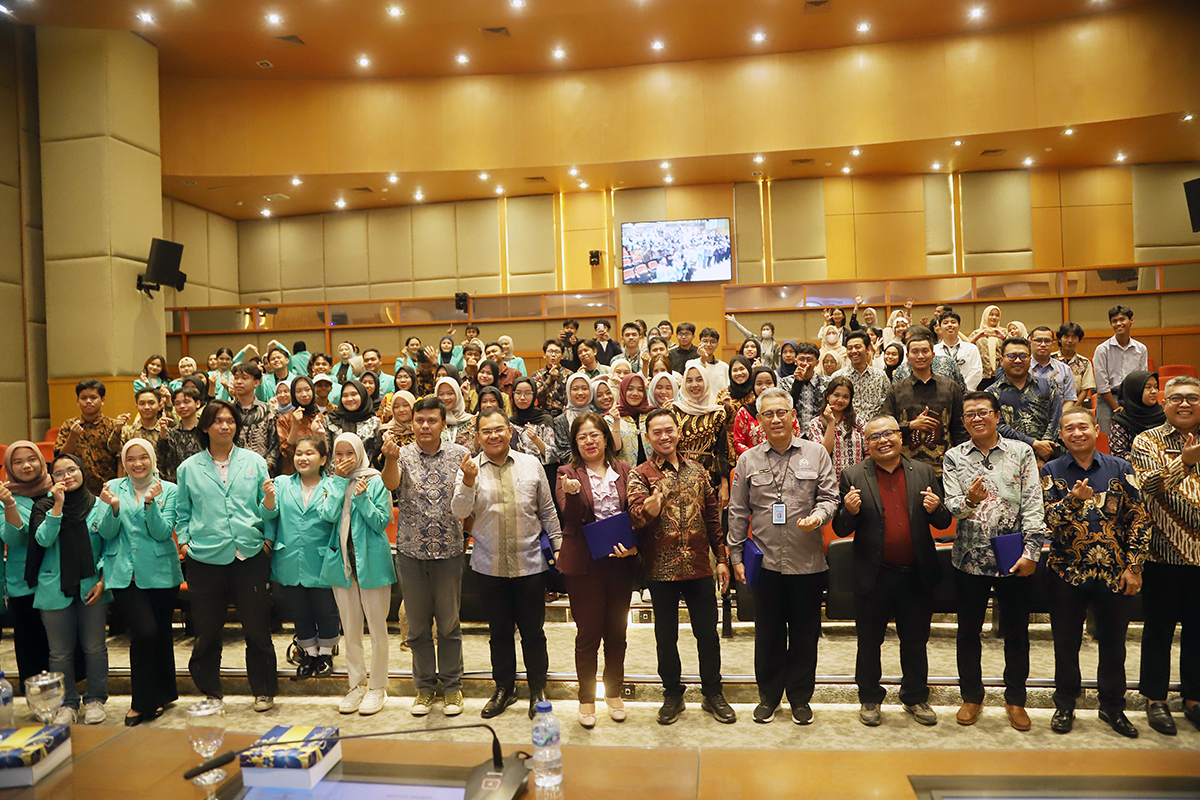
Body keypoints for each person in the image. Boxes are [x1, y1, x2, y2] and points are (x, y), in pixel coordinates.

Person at [727, 388, 838, 726]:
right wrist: (735, 557)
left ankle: (801, 699)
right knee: (769, 634)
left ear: (793, 417)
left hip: (807, 563)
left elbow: (830, 498)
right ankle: (769, 697)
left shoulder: (816, 453)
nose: (775, 419)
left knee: (805, 635)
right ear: (759, 421)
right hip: (766, 564)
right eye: (768, 414)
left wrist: (818, 517)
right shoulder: (748, 460)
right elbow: (737, 511)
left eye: (781, 412)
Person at [834, 414, 952, 727]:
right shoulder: (853, 474)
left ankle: (915, 696)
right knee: (869, 642)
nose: (883, 440)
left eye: (889, 434)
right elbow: (841, 527)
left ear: (900, 437)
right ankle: (870, 698)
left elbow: (941, 522)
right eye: (875, 436)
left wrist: (935, 508)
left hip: (915, 572)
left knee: (915, 640)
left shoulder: (923, 470)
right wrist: (850, 510)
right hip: (874, 573)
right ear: (867, 443)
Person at [1041, 407, 1151, 738]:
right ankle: (1065, 704)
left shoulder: (1120, 468)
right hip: (1066, 573)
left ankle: (1113, 707)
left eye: (1082, 427)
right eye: (1069, 428)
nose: (1077, 433)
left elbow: (1140, 520)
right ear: (1061, 435)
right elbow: (1047, 519)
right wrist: (1073, 501)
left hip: (1114, 573)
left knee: (1114, 645)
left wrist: (1134, 567)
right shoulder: (1052, 469)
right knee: (1065, 643)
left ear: (1096, 429)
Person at [942, 391, 1045, 731]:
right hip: (969, 559)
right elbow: (952, 507)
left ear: (997, 416)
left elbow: (1033, 503)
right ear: (963, 422)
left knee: (1016, 632)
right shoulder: (954, 457)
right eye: (969, 414)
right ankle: (972, 696)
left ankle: (1016, 699)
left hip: (1014, 558)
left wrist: (1032, 552)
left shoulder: (1021, 452)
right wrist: (969, 501)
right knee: (967, 632)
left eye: (983, 412)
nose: (976, 418)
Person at [452, 409, 563, 720]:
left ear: (510, 431)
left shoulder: (531, 464)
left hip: (530, 564)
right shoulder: (469, 469)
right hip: (489, 565)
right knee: (499, 632)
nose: (493, 436)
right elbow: (458, 510)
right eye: (486, 431)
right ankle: (504, 687)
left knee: (533, 631)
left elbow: (547, 511)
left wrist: (558, 546)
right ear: (477, 436)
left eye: (499, 429)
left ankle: (537, 687)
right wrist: (469, 482)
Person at [628, 409, 734, 725]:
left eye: (669, 430)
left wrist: (723, 560)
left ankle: (712, 692)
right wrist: (648, 510)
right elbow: (634, 518)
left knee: (707, 635)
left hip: (700, 567)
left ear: (678, 432)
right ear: (648, 437)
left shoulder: (699, 472)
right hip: (661, 570)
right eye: (657, 431)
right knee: (666, 636)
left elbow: (713, 519)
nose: (664, 436)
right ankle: (673, 694)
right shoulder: (640, 475)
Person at [175, 399, 277, 712]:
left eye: (230, 421)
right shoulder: (188, 468)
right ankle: (211, 691)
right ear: (205, 427)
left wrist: (268, 541)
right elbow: (182, 513)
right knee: (207, 631)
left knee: (257, 628)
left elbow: (268, 507)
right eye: (217, 421)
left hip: (249, 553)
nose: (224, 426)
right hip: (205, 557)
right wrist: (185, 546)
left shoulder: (254, 461)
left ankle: (263, 690)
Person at [555, 412, 639, 728]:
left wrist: (635, 546)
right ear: (576, 443)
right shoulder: (567, 473)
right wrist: (574, 493)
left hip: (620, 563)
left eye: (595, 435)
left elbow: (636, 515)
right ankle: (587, 698)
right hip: (584, 566)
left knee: (617, 634)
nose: (590, 441)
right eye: (582, 437)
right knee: (588, 634)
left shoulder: (625, 471)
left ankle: (614, 692)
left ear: (605, 438)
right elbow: (571, 519)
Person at [1129, 375, 1200, 736]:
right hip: (1163, 554)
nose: (1184, 404)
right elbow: (1147, 488)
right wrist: (1183, 463)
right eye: (1176, 398)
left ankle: (1194, 698)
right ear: (1164, 403)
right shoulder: (1147, 441)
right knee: (1158, 630)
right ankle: (1156, 699)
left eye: (1192, 397)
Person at [392, 397, 471, 717]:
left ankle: (452, 688)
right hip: (411, 552)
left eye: (432, 421)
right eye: (419, 420)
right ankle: (424, 688)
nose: (425, 426)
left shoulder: (458, 455)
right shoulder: (402, 454)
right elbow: (390, 484)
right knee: (418, 628)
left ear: (443, 423)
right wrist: (388, 460)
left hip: (449, 551)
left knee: (450, 624)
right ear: (412, 423)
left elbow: (467, 499)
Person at [99, 439, 183, 726]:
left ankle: (162, 694)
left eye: (143, 457)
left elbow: (162, 533)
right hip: (124, 572)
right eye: (131, 458)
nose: (137, 464)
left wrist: (149, 504)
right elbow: (107, 533)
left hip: (161, 571)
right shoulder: (112, 487)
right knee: (144, 632)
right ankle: (141, 702)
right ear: (124, 461)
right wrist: (111, 509)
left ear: (152, 459)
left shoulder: (168, 490)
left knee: (159, 633)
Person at [29, 455, 114, 725]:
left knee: (94, 647)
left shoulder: (99, 505)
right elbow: (43, 539)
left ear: (82, 471)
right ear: (51, 478)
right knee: (60, 652)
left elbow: (109, 544)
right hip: (55, 588)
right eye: (59, 472)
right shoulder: (44, 506)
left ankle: (96, 699)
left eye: (72, 469)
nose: (67, 475)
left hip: (92, 586)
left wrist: (103, 580)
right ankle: (67, 703)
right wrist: (58, 506)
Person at [321, 432, 395, 716]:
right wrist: (341, 484)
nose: (343, 460)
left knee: (377, 629)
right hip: (343, 565)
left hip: (372, 564)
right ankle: (356, 685)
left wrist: (362, 499)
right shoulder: (333, 481)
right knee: (350, 630)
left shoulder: (375, 480)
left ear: (360, 453)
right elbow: (327, 515)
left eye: (349, 453)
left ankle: (377, 687)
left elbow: (380, 522)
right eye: (338, 454)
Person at [262, 436, 340, 682]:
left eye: (309, 453)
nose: (303, 458)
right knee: (300, 611)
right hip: (289, 558)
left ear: (323, 459)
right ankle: (308, 653)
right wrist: (268, 498)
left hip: (321, 559)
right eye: (299, 454)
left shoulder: (333, 486)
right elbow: (268, 514)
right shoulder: (283, 483)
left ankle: (326, 654)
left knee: (325, 610)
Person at [1, 443, 54, 693]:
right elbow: (15, 539)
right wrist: (10, 504)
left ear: (42, 461)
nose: (26, 466)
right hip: (23, 582)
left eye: (32, 459)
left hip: (56, 578)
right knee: (30, 644)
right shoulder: (4, 497)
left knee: (59, 644)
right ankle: (38, 700)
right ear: (9, 467)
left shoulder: (57, 490)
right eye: (18, 462)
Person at [881, 331, 967, 476]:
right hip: (904, 468)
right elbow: (885, 426)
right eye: (915, 352)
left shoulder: (950, 387)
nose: (920, 356)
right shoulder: (896, 389)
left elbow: (960, 430)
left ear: (933, 355)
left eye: (925, 351)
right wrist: (910, 426)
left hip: (944, 467)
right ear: (907, 357)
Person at [988, 336, 1063, 464]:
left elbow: (1056, 418)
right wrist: (1033, 444)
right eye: (1011, 356)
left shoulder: (1048, 385)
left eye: (1023, 356)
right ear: (1001, 360)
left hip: (1049, 457)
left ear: (1030, 359)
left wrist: (1042, 454)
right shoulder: (991, 393)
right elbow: (998, 426)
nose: (1018, 360)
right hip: (1008, 459)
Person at [674, 364, 731, 509]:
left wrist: (724, 485)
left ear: (706, 382)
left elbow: (721, 452)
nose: (694, 385)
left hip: (709, 478)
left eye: (699, 380)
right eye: (689, 380)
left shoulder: (717, 413)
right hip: (678, 477)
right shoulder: (675, 410)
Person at [55, 378, 121, 494]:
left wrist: (119, 486)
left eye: (93, 397)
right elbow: (61, 457)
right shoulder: (69, 425)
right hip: (78, 489)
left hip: (108, 487)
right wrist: (73, 436)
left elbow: (121, 458)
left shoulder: (113, 426)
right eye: (83, 398)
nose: (88, 401)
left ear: (102, 400)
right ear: (77, 401)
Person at [1093, 305, 1149, 434]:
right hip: (1108, 400)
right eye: (1114, 321)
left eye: (1122, 319)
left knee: (1134, 436)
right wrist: (1117, 408)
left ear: (1131, 321)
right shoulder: (1102, 349)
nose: (1118, 324)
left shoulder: (1141, 349)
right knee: (1106, 437)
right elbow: (1102, 385)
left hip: (1132, 399)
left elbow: (1142, 380)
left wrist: (1132, 405)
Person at [810, 376, 868, 479]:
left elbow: (868, 452)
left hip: (856, 479)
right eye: (836, 395)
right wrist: (831, 422)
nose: (840, 400)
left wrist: (862, 476)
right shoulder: (816, 424)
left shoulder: (858, 421)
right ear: (828, 396)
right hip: (828, 481)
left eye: (845, 397)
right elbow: (823, 452)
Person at [230, 363, 280, 475]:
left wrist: (266, 467)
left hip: (262, 470)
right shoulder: (226, 410)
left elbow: (275, 444)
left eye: (244, 378)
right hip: (232, 470)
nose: (238, 382)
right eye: (236, 378)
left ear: (256, 382)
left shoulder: (269, 411)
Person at [326, 379, 382, 470]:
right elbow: (326, 453)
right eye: (345, 395)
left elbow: (377, 456)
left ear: (362, 395)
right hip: (335, 475)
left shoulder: (374, 422)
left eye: (354, 394)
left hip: (365, 476)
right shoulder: (331, 420)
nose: (349, 399)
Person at [734, 367, 791, 456]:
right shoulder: (744, 412)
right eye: (759, 383)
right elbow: (738, 443)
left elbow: (795, 436)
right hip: (754, 461)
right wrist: (759, 456)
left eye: (769, 383)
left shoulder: (785, 409)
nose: (764, 387)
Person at [277, 375, 327, 475]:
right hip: (292, 474)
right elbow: (286, 451)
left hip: (317, 474)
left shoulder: (321, 418)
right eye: (299, 391)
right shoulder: (284, 419)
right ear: (293, 394)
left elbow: (326, 451)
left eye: (307, 390)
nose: (304, 394)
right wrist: (295, 425)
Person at [1109, 371, 1164, 461]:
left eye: (1156, 387)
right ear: (1135, 390)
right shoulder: (1121, 420)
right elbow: (1118, 454)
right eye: (1148, 387)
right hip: (1133, 470)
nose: (1154, 391)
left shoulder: (1164, 415)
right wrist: (1148, 460)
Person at [157, 385, 205, 483]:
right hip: (179, 483)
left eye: (186, 402)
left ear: (197, 403)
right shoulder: (171, 433)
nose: (182, 406)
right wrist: (162, 434)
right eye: (178, 403)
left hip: (204, 481)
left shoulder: (206, 430)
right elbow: (163, 460)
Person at [510, 377, 555, 466]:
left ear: (534, 396)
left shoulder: (544, 419)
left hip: (542, 470)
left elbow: (553, 456)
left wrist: (536, 439)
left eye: (527, 393)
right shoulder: (509, 422)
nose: (522, 398)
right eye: (518, 393)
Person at [935, 311, 983, 391]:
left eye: (953, 322)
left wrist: (962, 389)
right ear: (940, 328)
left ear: (959, 327)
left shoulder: (971, 348)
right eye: (945, 323)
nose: (950, 325)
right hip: (940, 393)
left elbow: (976, 371)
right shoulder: (934, 350)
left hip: (966, 392)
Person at [1029, 326, 1078, 405]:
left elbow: (1069, 400)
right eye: (1038, 340)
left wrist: (1060, 417)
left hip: (1058, 415)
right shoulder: (1021, 368)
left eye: (1047, 341)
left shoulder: (1065, 370)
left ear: (1053, 344)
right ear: (1030, 342)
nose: (1043, 344)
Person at [1054, 322, 1096, 409]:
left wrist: (1072, 409)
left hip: (1074, 409)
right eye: (1066, 336)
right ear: (1059, 339)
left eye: (1074, 337)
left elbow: (1085, 390)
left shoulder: (1084, 363)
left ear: (1079, 339)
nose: (1070, 340)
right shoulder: (1050, 359)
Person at [787, 342, 826, 437]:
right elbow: (787, 406)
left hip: (820, 434)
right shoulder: (786, 382)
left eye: (809, 360)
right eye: (801, 359)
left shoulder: (826, 383)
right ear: (795, 361)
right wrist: (797, 382)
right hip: (794, 434)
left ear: (816, 363)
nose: (805, 363)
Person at [615, 373, 653, 466]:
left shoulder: (652, 414)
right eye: (630, 389)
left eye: (640, 390)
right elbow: (614, 448)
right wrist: (616, 421)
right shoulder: (611, 418)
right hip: (626, 476)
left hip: (654, 475)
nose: (635, 393)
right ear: (623, 391)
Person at [968, 304, 1006, 387]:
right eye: (991, 314)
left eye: (997, 315)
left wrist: (1003, 337)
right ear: (985, 316)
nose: (994, 317)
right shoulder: (976, 333)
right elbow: (967, 348)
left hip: (1001, 372)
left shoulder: (1004, 332)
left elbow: (1012, 346)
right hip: (983, 373)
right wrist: (977, 337)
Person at [534, 339, 571, 417]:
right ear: (544, 354)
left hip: (564, 415)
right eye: (550, 351)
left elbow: (570, 399)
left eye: (557, 352)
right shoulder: (537, 374)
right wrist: (551, 380)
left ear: (562, 356)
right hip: (542, 415)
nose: (553, 355)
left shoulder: (569, 374)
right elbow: (538, 397)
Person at [687, 327, 730, 395]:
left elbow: (727, 389)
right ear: (699, 343)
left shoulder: (724, 367)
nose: (708, 345)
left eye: (712, 342)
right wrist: (703, 359)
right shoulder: (690, 363)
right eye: (705, 341)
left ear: (717, 344)